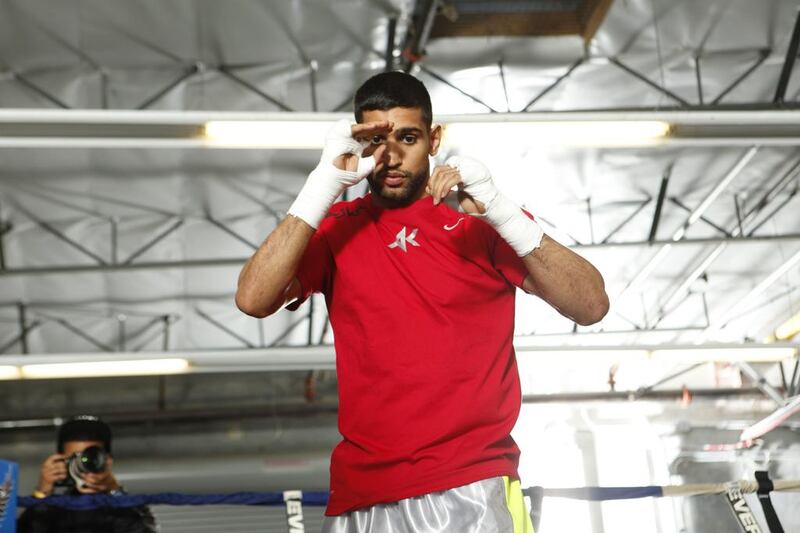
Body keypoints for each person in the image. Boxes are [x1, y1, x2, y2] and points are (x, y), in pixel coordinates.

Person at [236, 71, 609, 532]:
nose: (389, 156)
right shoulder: (337, 227)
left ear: (434, 139)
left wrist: (502, 211)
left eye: (407, 138)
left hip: (469, 481)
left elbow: (590, 305)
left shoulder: (479, 217)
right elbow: (253, 299)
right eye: (375, 141)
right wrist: (320, 185)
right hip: (361, 493)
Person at [17, 416, 156, 533]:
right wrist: (41, 494)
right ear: (60, 460)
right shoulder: (51, 510)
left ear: (107, 461)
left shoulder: (123, 507)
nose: (82, 465)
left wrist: (115, 491)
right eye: (74, 459)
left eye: (90, 458)